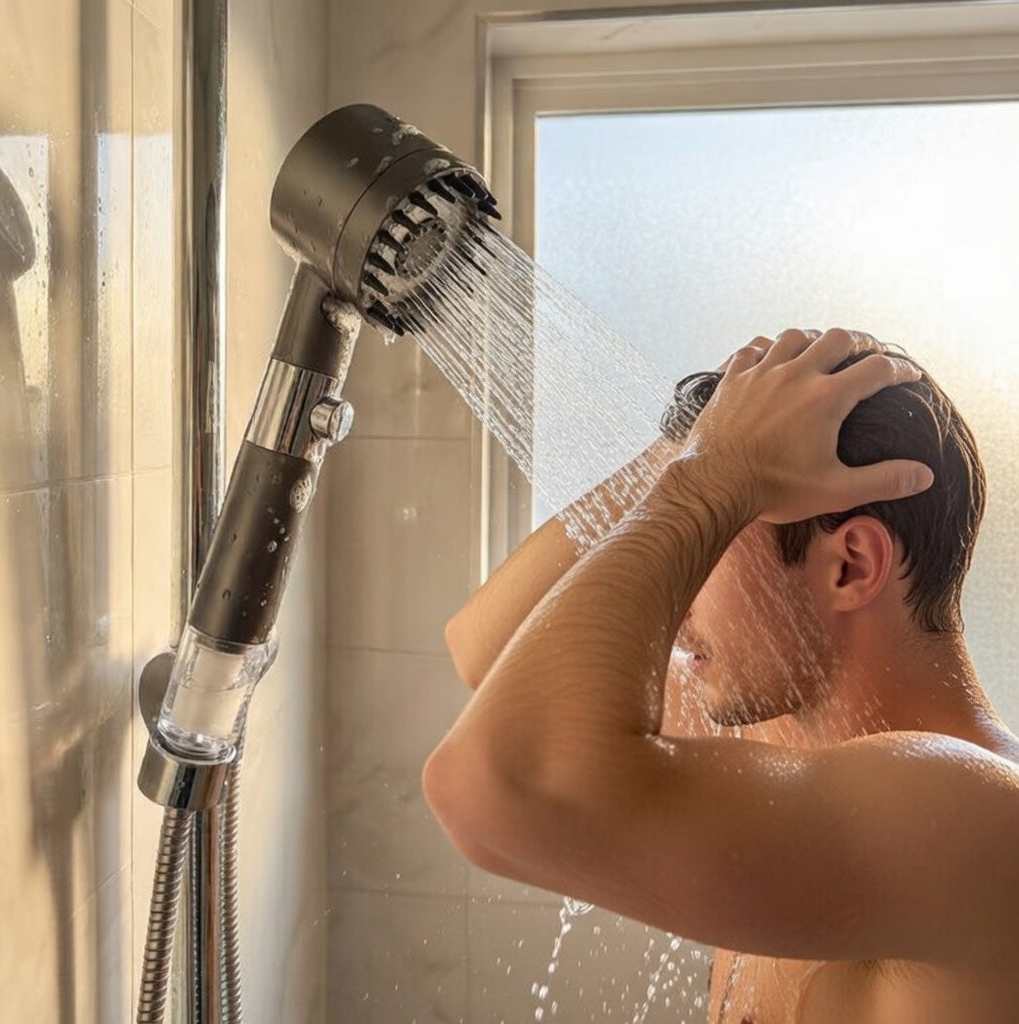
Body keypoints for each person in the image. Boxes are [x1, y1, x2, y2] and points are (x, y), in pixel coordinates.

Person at [422, 327, 1019, 1023]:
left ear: (850, 565)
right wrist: (692, 452)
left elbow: (492, 783)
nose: (674, 616)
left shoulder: (970, 815)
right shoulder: (787, 729)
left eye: (713, 546)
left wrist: (710, 483)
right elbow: (486, 649)